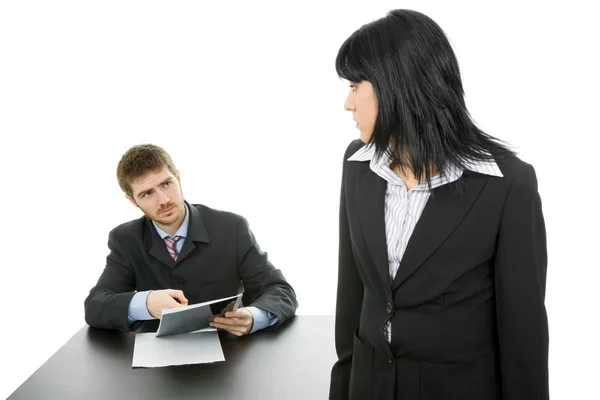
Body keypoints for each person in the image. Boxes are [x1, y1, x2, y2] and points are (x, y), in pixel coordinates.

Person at [330, 9, 548, 400]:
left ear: (395, 84)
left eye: (354, 85)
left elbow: (524, 339)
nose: (348, 103)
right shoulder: (357, 165)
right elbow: (352, 297)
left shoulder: (507, 185)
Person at [85, 144, 297, 336]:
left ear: (178, 177)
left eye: (166, 184)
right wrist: (145, 303)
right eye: (148, 194)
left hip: (228, 354)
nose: (164, 200)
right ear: (132, 200)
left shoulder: (231, 227)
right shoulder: (125, 239)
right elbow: (95, 305)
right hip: (157, 364)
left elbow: (280, 290)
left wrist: (253, 317)